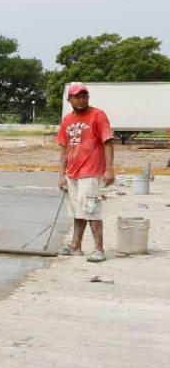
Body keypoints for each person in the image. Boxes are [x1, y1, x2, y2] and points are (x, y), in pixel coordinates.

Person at [57, 83, 115, 263]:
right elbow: (64, 149)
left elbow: (108, 142)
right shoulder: (67, 120)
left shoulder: (98, 115)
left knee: (91, 210)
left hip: (91, 172)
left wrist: (109, 169)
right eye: (77, 96)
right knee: (78, 211)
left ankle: (99, 249)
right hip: (72, 173)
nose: (82, 99)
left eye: (84, 96)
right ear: (69, 100)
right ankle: (76, 246)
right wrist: (62, 175)